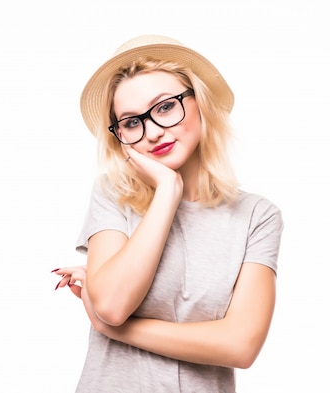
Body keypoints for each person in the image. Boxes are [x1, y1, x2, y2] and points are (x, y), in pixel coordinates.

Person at [52, 34, 284, 393]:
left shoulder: (256, 216)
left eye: (164, 107)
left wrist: (114, 328)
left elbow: (240, 346)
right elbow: (113, 304)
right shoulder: (113, 193)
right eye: (131, 122)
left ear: (199, 104)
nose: (152, 131)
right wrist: (167, 192)